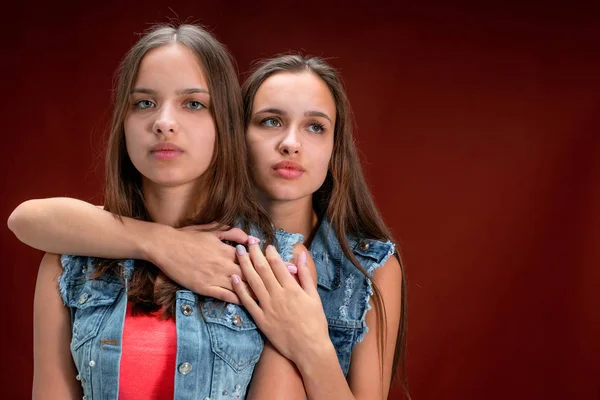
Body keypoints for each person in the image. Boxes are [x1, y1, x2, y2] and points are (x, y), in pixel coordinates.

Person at [9, 55, 409, 399]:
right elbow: (32, 220)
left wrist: (310, 345)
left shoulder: (364, 265)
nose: (290, 143)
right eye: (270, 121)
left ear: (336, 150)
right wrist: (162, 243)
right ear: (234, 134)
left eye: (315, 127)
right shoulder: (205, 240)